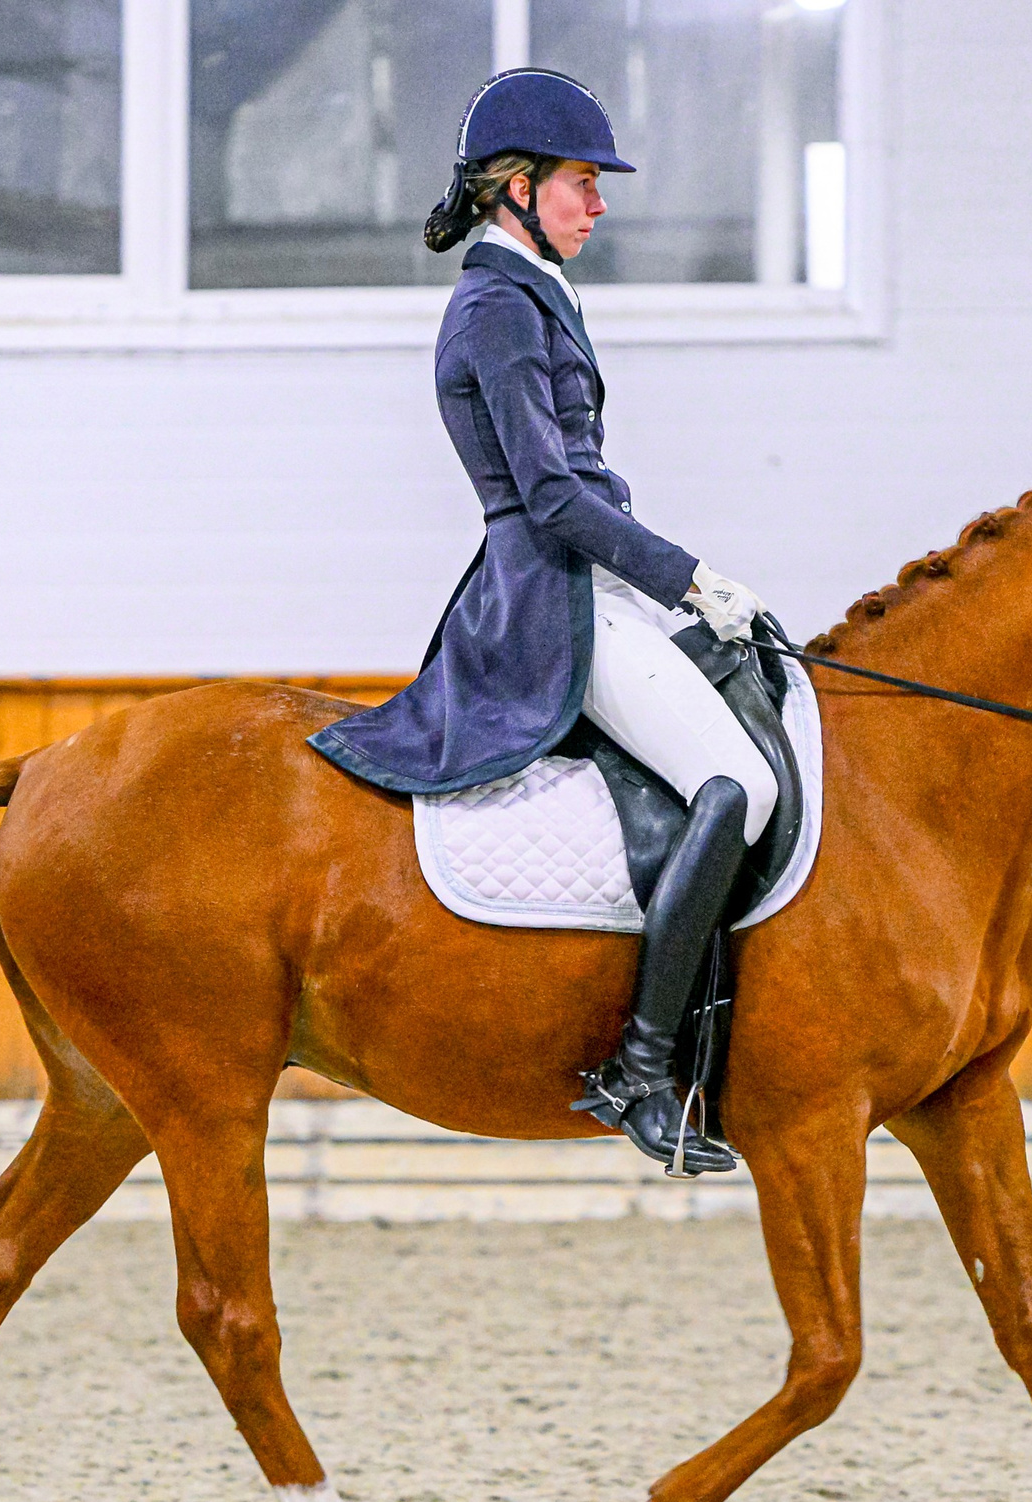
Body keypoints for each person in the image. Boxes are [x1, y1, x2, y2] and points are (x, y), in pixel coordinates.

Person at [311, 68, 778, 1178]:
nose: (598, 205)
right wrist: (688, 579)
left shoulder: (534, 293)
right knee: (737, 785)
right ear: (516, 187)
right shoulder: (496, 308)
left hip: (589, 580)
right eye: (581, 183)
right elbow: (554, 497)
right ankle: (640, 1070)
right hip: (549, 597)